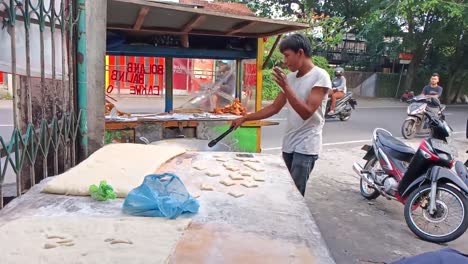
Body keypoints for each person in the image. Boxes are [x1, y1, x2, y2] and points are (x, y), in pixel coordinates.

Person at [231, 33, 331, 196]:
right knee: (285, 190)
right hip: (289, 144)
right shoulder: (290, 78)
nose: (285, 61)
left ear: (300, 53)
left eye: (287, 56)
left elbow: (306, 113)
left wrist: (286, 86)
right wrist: (245, 118)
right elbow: (274, 108)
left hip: (306, 146)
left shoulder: (320, 76)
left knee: (295, 196)